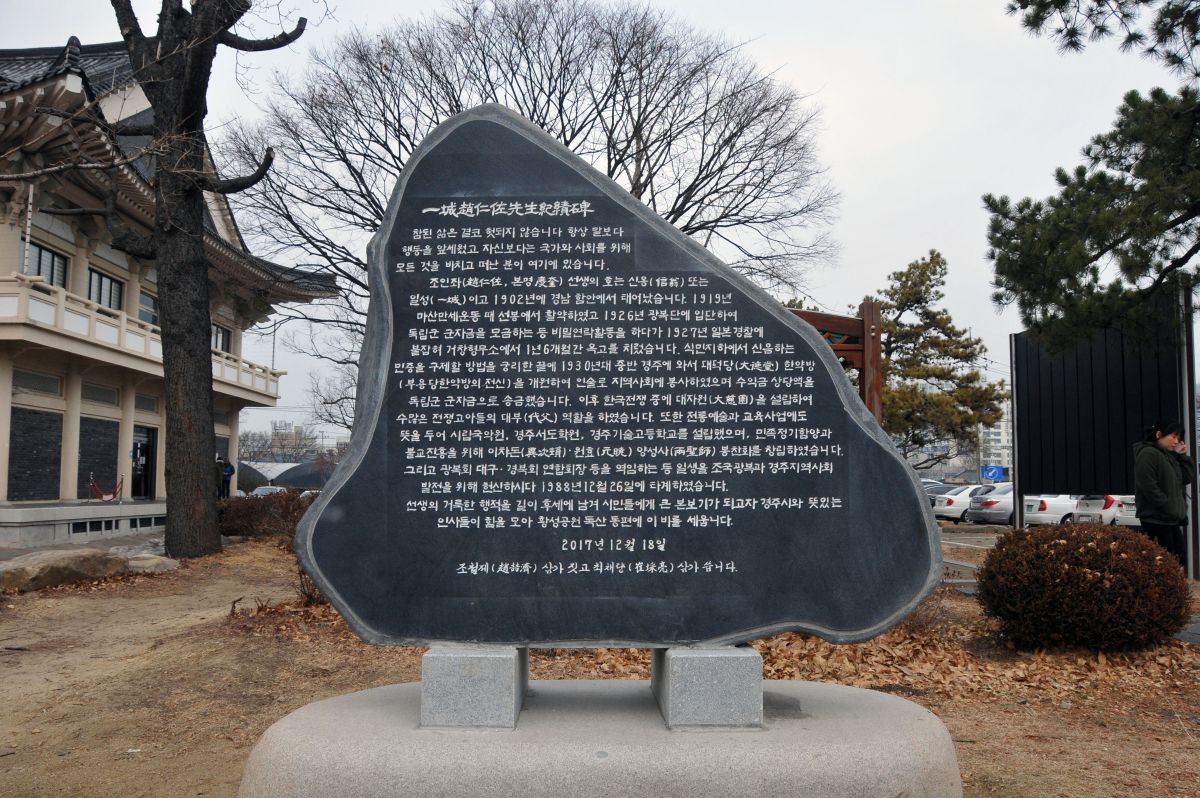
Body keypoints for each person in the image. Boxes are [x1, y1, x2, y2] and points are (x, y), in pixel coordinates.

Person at [1133, 420, 1193, 569]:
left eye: (1178, 438)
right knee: (1164, 563)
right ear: (1159, 434)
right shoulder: (1148, 453)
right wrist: (1167, 505)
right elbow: (1148, 486)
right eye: (1173, 436)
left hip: (1169, 519)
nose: (1176, 441)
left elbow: (1186, 477)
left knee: (1178, 559)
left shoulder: (1168, 456)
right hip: (1156, 519)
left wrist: (1183, 456)